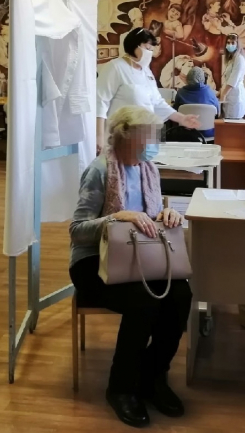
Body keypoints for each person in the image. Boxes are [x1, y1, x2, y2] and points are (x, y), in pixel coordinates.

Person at [70, 105, 192, 428]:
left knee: (181, 295)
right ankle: (121, 387)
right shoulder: (100, 170)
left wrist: (167, 215)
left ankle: (152, 376)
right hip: (94, 261)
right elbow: (77, 231)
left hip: (138, 256)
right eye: (146, 139)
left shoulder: (147, 169)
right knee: (145, 300)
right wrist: (116, 218)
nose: (152, 145)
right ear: (125, 138)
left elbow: (151, 217)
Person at [96, 28, 200, 154]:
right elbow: (100, 101)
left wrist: (181, 118)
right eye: (147, 48)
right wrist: (99, 136)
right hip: (122, 137)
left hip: (146, 136)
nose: (150, 53)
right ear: (134, 46)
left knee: (147, 165)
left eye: (152, 49)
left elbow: (157, 102)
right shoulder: (115, 67)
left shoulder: (146, 71)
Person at [173, 66, 219, 139]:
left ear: (188, 78)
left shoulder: (180, 93)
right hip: (208, 133)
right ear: (203, 78)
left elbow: (175, 111)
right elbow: (217, 113)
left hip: (186, 133)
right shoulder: (210, 92)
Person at [220, 33, 245, 119]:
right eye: (228, 43)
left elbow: (233, 80)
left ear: (237, 44)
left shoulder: (239, 59)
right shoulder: (231, 59)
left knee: (233, 123)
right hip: (230, 95)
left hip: (235, 96)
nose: (230, 45)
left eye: (233, 43)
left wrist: (223, 95)